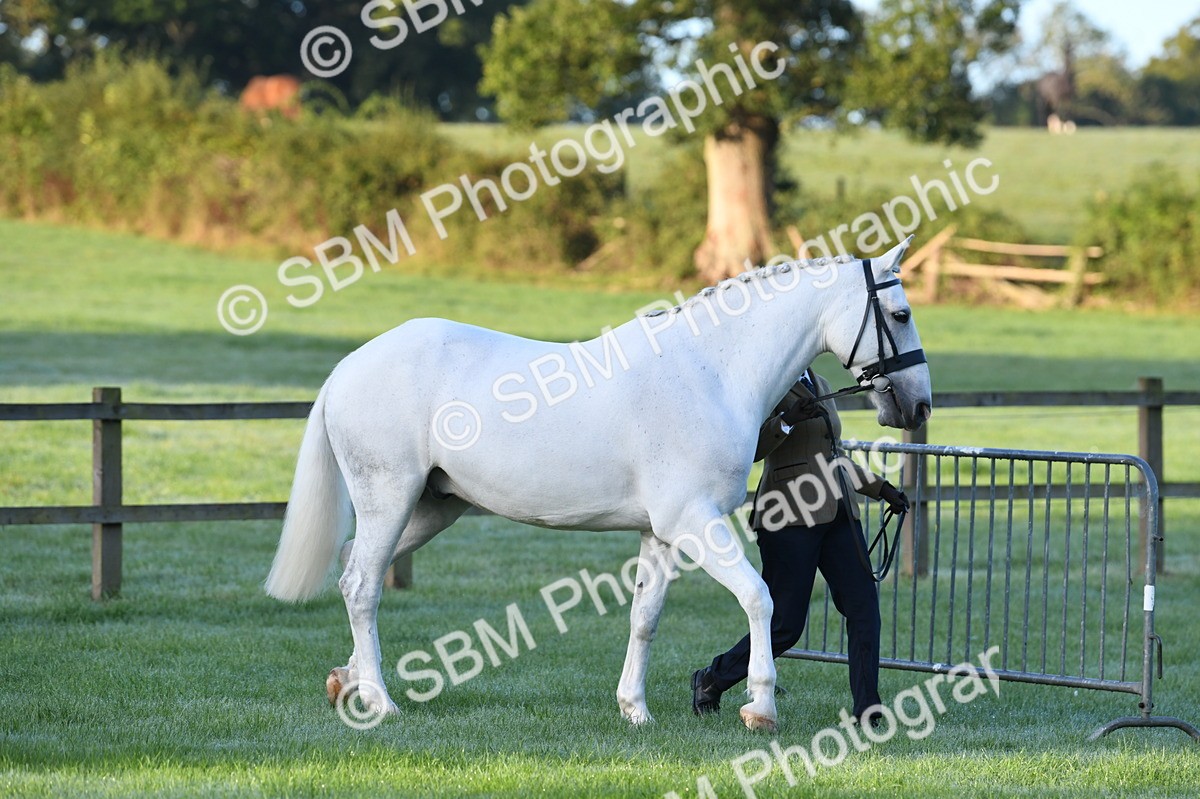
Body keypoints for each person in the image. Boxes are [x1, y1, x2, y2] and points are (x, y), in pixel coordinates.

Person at [691, 366, 908, 725]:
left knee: (863, 608)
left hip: (838, 515)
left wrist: (881, 489)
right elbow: (753, 448)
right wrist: (787, 421)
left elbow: (833, 457)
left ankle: (868, 709)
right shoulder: (768, 382)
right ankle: (713, 678)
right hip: (787, 517)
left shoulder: (820, 384)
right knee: (786, 625)